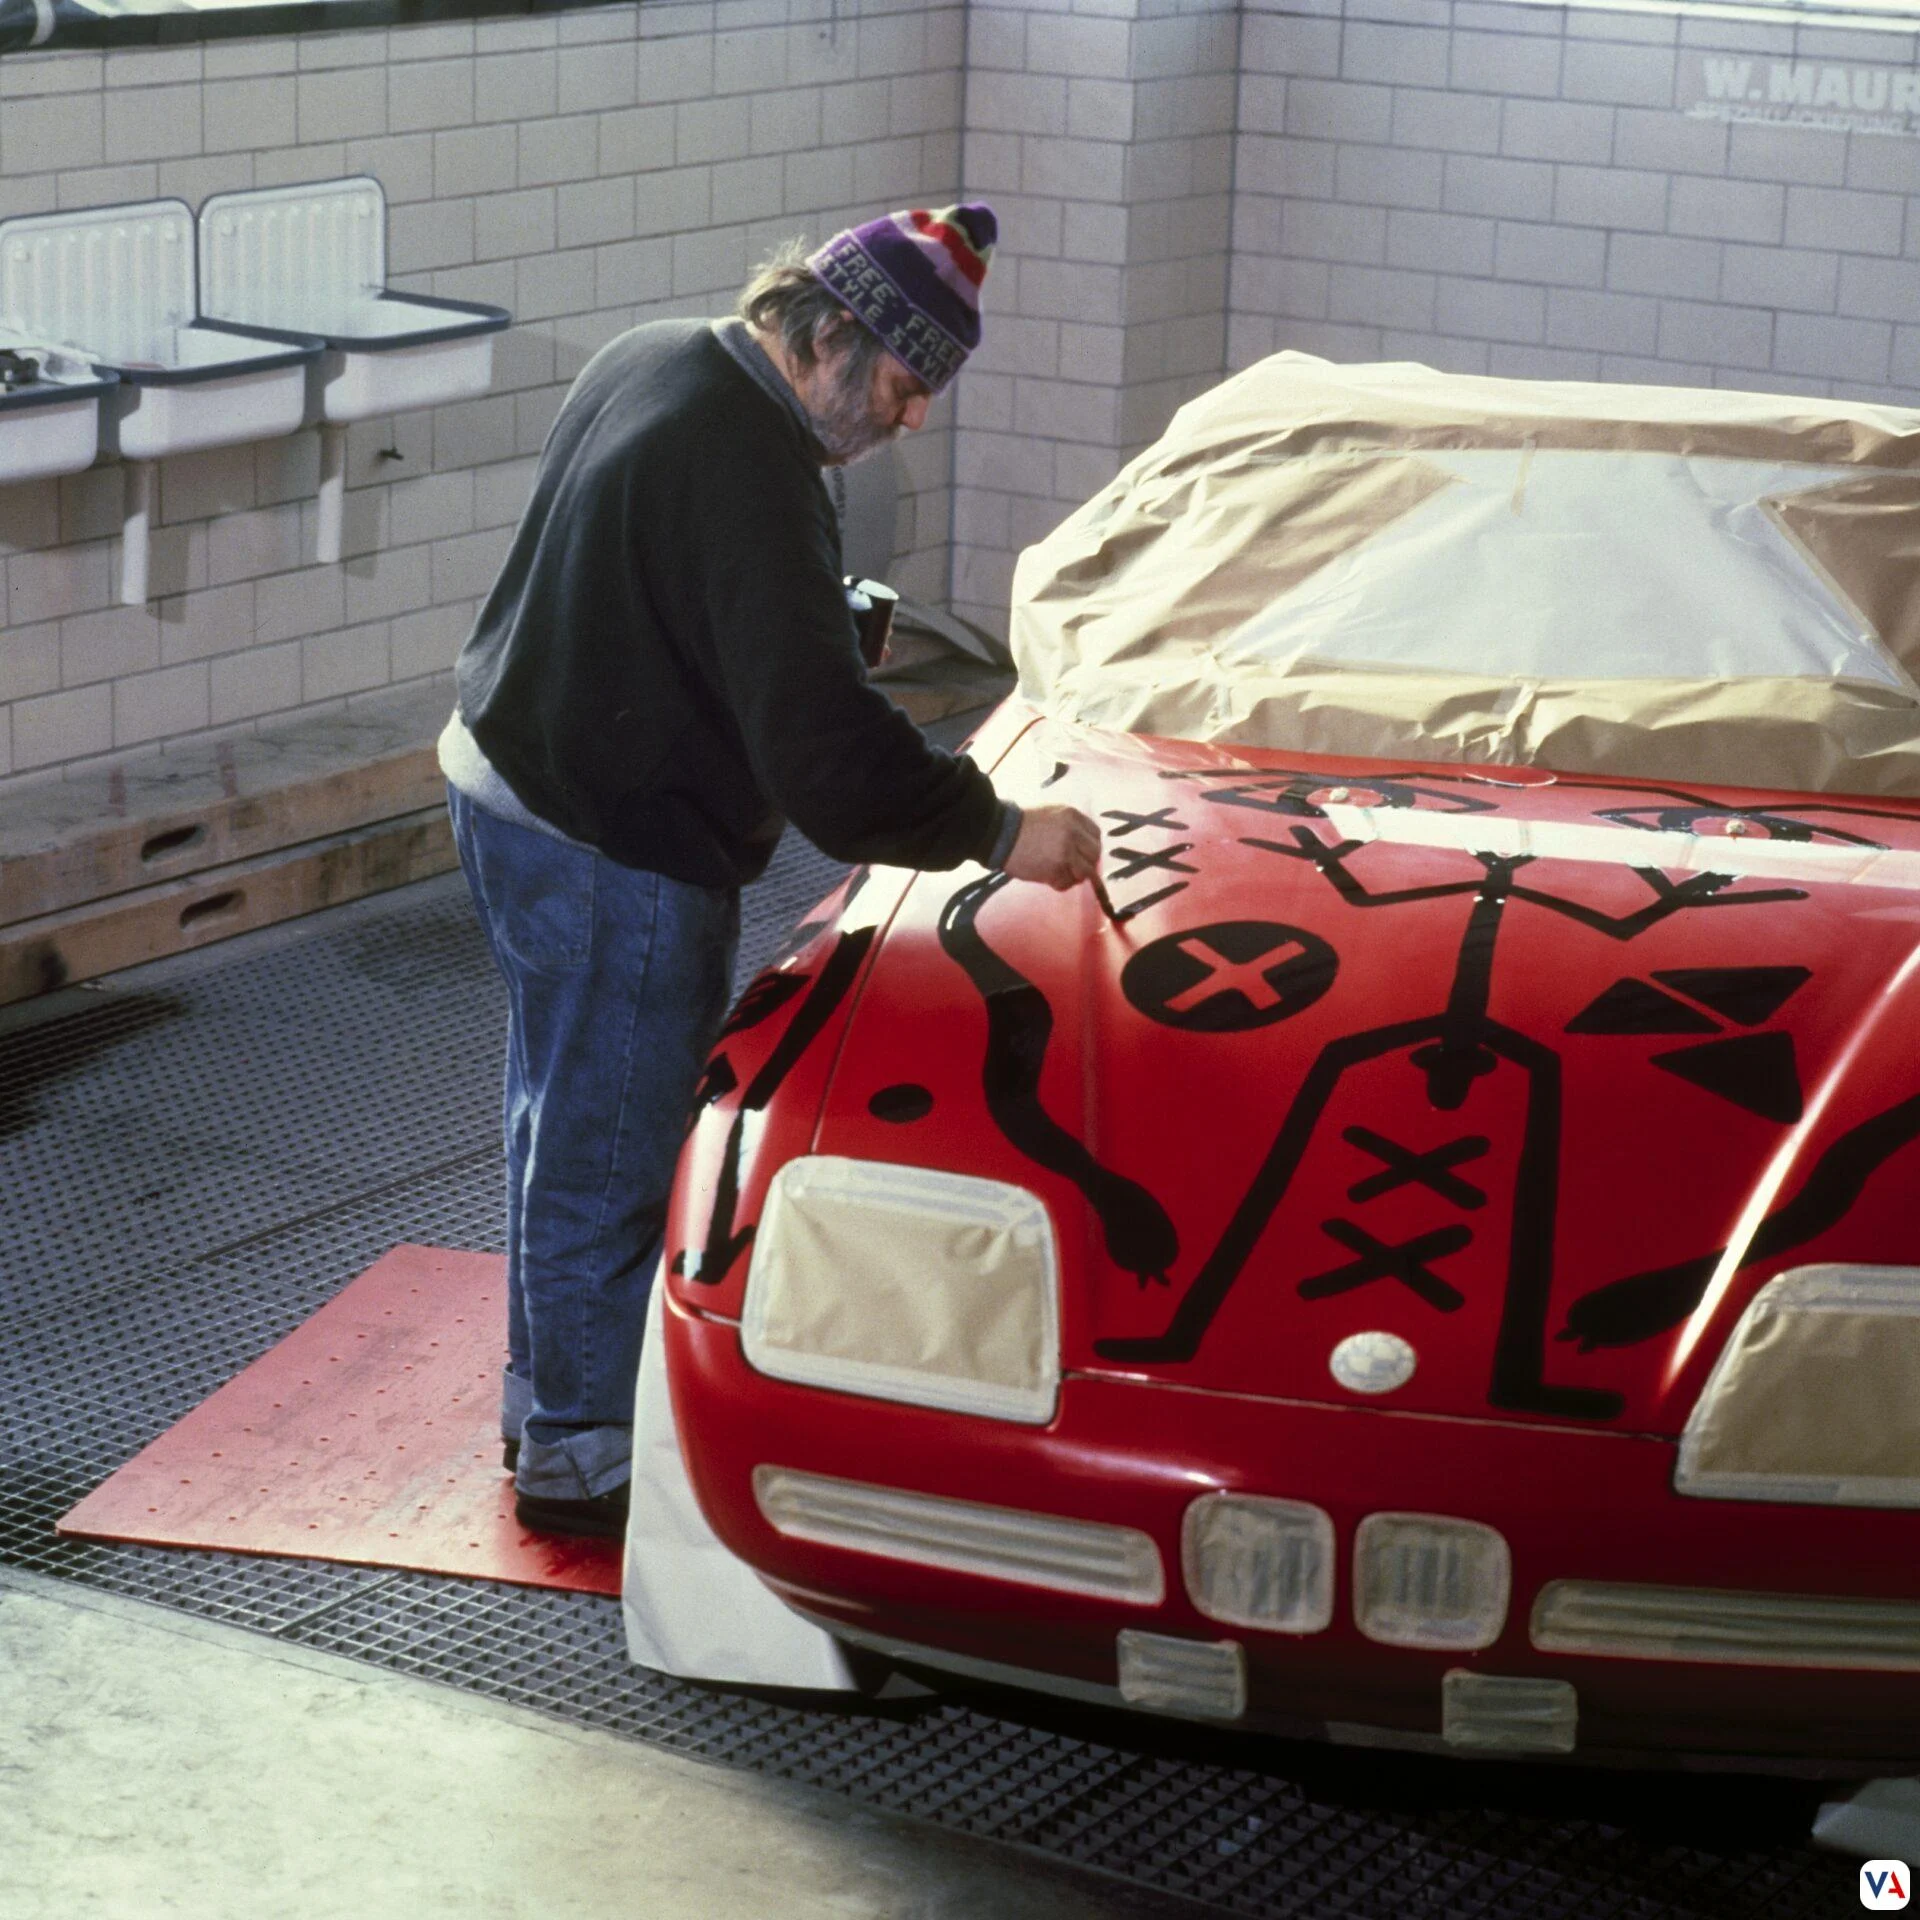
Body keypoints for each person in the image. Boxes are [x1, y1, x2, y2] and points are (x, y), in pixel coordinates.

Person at [439, 203, 1102, 1539]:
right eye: (909, 388)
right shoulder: (748, 464)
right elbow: (829, 768)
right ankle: (581, 1459)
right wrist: (1004, 831)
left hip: (504, 785)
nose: (911, 422)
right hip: (607, 843)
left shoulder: (659, 355)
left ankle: (545, 1392)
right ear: (833, 337)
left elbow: (648, 584)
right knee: (610, 1151)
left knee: (552, 1115)